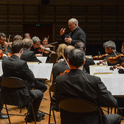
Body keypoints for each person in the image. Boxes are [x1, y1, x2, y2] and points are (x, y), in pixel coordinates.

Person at [55, 48, 121, 124]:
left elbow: (57, 103)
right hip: (92, 121)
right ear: (84, 62)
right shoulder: (94, 80)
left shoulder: (59, 80)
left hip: (68, 121)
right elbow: (112, 102)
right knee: (117, 117)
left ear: (68, 62)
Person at [1, 40, 45, 122]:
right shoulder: (22, 63)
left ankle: (32, 114)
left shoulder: (5, 61)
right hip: (21, 96)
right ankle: (31, 116)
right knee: (40, 94)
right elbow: (31, 79)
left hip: (6, 95)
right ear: (21, 50)